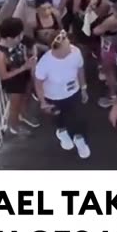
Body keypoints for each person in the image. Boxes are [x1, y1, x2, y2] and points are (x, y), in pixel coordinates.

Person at [34, 30, 91, 159]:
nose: (70, 47)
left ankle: (79, 139)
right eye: (66, 46)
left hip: (73, 92)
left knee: (78, 118)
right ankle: (62, 131)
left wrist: (83, 88)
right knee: (59, 118)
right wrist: (43, 102)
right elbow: (38, 82)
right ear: (56, 49)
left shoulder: (75, 51)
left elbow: (80, 69)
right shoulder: (45, 63)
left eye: (69, 43)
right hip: (54, 97)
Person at [0, 17, 39, 136]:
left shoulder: (19, 38)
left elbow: (32, 43)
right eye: (19, 36)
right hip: (13, 83)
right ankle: (13, 126)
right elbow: (3, 75)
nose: (21, 37)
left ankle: (24, 114)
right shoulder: (0, 53)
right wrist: (24, 67)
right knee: (14, 106)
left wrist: (33, 57)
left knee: (27, 95)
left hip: (25, 76)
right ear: (9, 38)